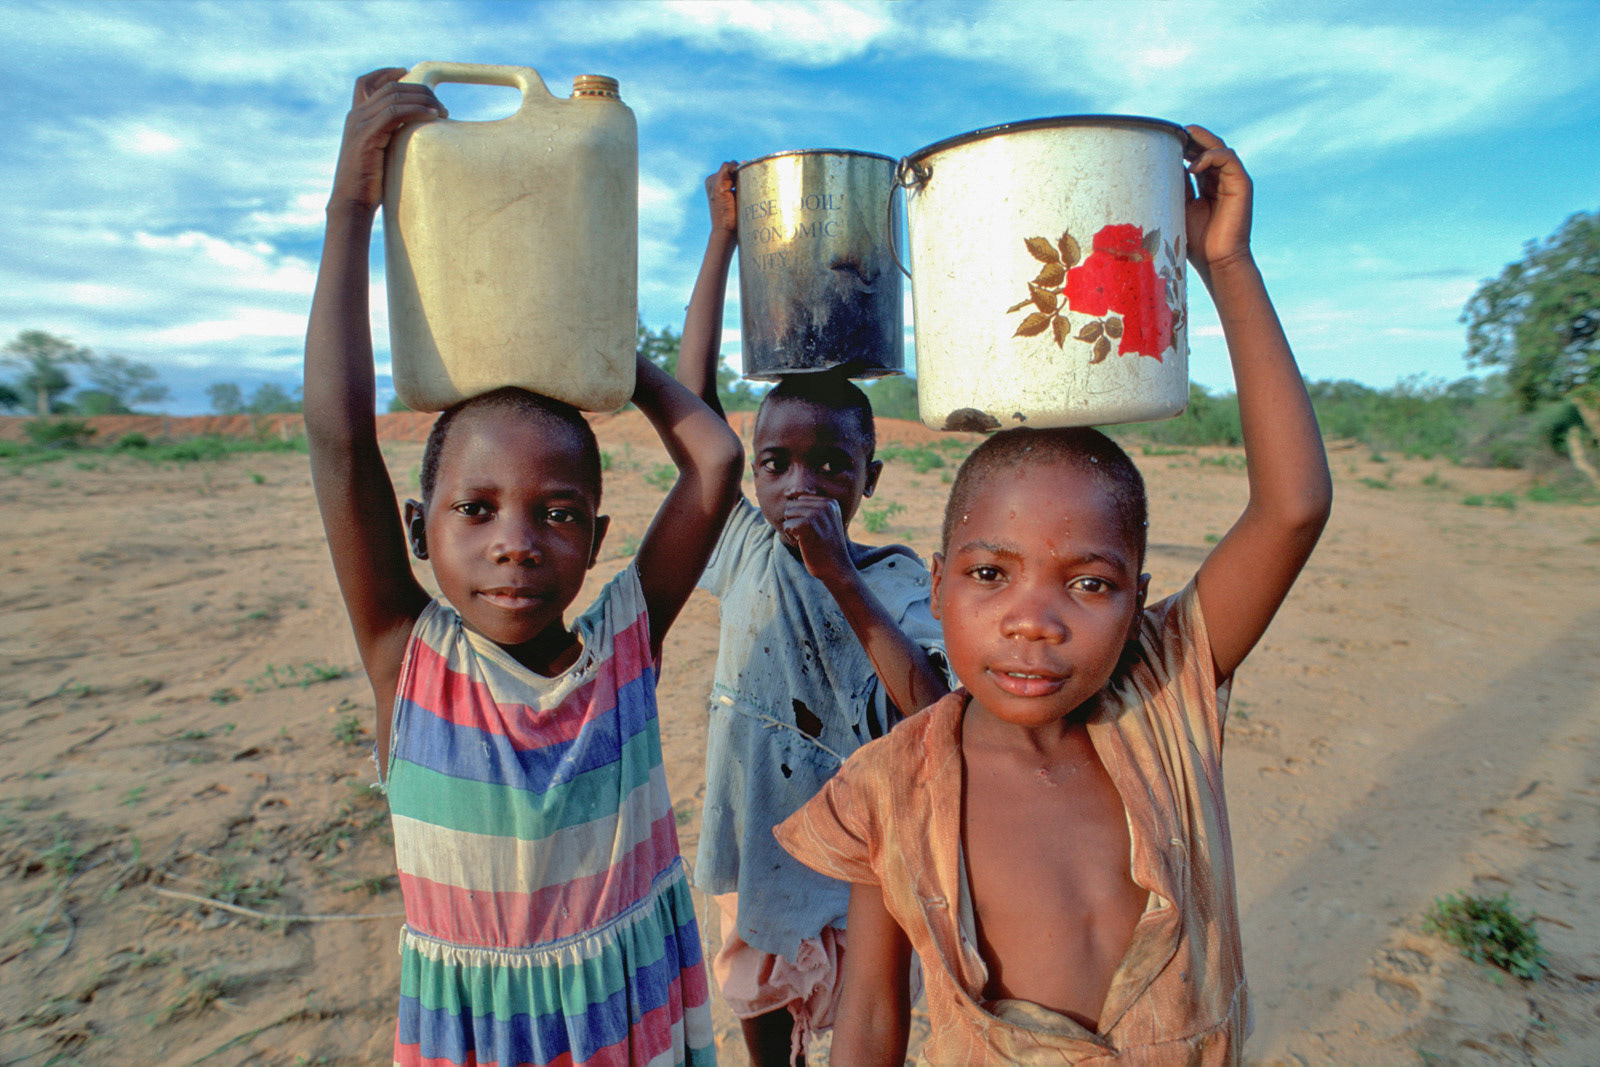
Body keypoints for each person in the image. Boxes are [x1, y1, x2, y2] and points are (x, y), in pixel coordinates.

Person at [776, 126, 1334, 1063]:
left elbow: (1293, 507)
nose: (1034, 619)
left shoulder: (1166, 697)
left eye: (1090, 582)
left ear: (1138, 602)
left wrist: (1224, 263)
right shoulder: (887, 789)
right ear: (937, 585)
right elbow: (871, 1017)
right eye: (991, 574)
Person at [305, 69, 743, 1067]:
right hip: (482, 1034)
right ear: (418, 529)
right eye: (475, 508)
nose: (516, 539)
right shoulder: (404, 655)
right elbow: (339, 441)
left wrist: (597, 346)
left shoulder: (626, 641)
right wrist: (350, 208)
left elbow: (713, 459)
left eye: (556, 513)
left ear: (594, 537)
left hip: (626, 1010)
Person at [675, 162, 951, 1065]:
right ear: (750, 474)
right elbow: (693, 412)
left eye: (833, 464)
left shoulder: (901, 581)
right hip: (757, 831)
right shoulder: (748, 547)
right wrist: (720, 239)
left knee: (866, 1013)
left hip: (855, 854)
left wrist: (842, 578)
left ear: (872, 477)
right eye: (776, 463)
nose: (802, 485)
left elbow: (929, 707)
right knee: (755, 995)